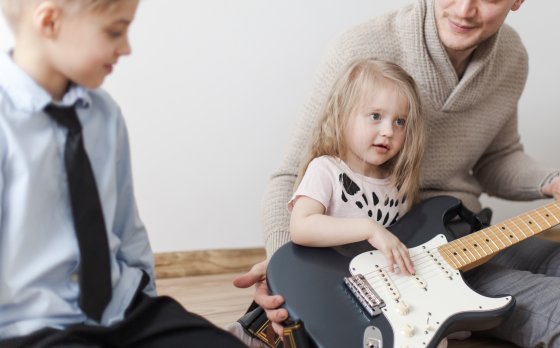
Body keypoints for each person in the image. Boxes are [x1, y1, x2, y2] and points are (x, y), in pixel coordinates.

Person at [233, 0, 560, 347]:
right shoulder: (359, 48)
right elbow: (289, 177)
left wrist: (550, 182)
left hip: (466, 229)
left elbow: (498, 157)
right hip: (405, 269)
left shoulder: (511, 58)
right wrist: (294, 284)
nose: (465, 9)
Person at [0, 0, 245, 347]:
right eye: (115, 31)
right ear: (51, 21)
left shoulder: (104, 115)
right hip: (33, 329)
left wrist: (152, 310)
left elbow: (126, 229)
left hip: (123, 311)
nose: (126, 47)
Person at [288, 58, 423, 276]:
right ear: (341, 117)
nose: (388, 131)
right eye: (375, 116)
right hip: (327, 282)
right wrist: (369, 228)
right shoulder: (325, 170)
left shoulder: (398, 184)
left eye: (400, 122)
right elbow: (301, 227)